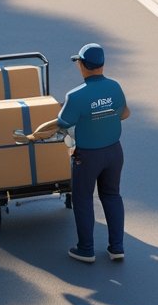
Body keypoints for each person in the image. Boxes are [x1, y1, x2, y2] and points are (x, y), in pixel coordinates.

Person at [17, 43, 130, 264]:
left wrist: (32, 135)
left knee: (83, 199)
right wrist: (104, 116)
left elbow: (58, 125)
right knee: (112, 195)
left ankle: (86, 249)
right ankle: (117, 247)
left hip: (88, 157)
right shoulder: (115, 87)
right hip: (115, 152)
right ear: (102, 64)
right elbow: (124, 114)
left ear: (82, 65)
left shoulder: (76, 95)